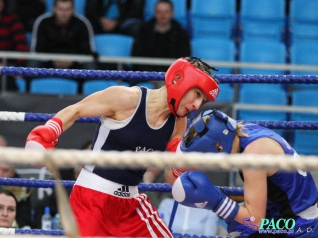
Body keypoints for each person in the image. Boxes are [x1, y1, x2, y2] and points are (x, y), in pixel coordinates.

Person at [25, 56, 220, 237]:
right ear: (179, 79)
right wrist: (44, 135)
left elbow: (172, 175)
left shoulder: (179, 122)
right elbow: (75, 110)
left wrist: (187, 164)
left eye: (202, 101)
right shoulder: (126, 98)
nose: (196, 105)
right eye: (196, 94)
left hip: (131, 203)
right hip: (92, 199)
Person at [171, 109, 318, 237]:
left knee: (241, 225)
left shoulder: (253, 156)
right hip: (291, 215)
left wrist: (217, 202)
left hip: (298, 226)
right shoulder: (245, 131)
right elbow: (272, 191)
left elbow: (256, 222)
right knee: (237, 224)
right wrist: (217, 194)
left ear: (218, 147)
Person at [31, 0, 95, 72]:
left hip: (75, 65)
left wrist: (71, 60)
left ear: (73, 9)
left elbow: (87, 51)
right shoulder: (43, 22)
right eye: (60, 9)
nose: (64, 14)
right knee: (32, 64)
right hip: (48, 63)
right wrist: (53, 59)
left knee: (91, 67)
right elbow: (38, 50)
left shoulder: (82, 24)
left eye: (67, 9)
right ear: (53, 8)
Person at [132, 0, 191, 73]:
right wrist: (149, 75)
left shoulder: (181, 33)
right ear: (154, 13)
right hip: (146, 75)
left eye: (166, 12)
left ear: (172, 13)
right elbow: (136, 56)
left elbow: (185, 59)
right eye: (159, 12)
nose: (162, 15)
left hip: (173, 77)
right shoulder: (144, 31)